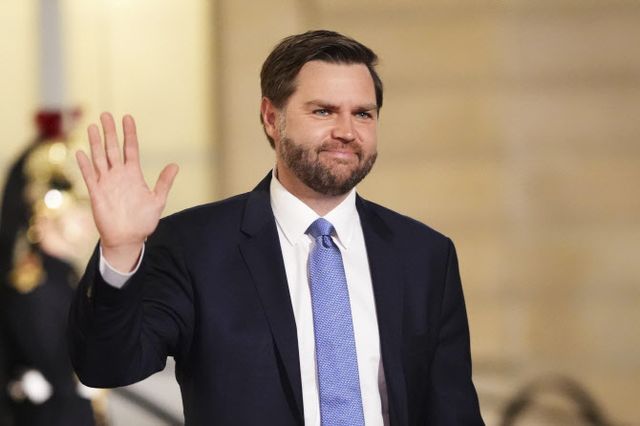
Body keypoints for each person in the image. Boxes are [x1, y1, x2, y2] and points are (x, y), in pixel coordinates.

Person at [68, 30, 484, 425]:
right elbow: (107, 366)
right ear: (271, 117)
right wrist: (120, 250)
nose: (346, 131)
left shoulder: (424, 255)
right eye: (323, 111)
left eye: (363, 114)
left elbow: (453, 413)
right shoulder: (194, 247)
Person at [0, 135, 106, 426]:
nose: (87, 218)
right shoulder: (34, 287)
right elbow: (59, 372)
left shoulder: (67, 276)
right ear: (45, 216)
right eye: (76, 208)